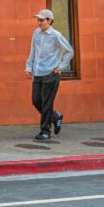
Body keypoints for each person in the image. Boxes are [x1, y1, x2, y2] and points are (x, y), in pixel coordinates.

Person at [25, 8, 75, 141]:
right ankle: (55, 117)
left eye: (41, 20)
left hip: (51, 73)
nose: (39, 22)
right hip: (38, 72)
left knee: (47, 102)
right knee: (36, 100)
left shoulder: (56, 35)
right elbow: (33, 50)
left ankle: (45, 130)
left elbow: (69, 51)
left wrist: (61, 66)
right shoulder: (36, 33)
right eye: (38, 20)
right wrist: (29, 66)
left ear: (49, 20)